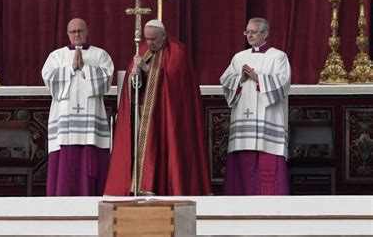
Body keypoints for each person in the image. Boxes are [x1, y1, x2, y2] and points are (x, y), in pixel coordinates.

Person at [105, 19, 212, 196]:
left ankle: (172, 188)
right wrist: (135, 77)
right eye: (147, 39)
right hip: (147, 116)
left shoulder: (177, 51)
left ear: (164, 36)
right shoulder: (143, 52)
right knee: (148, 150)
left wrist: (147, 68)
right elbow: (134, 89)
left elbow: (174, 81)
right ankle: (144, 186)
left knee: (170, 151)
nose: (150, 43)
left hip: (169, 115)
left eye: (154, 39)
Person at [42, 18, 114, 196]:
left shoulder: (100, 55)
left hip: (91, 127)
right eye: (73, 31)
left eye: (80, 31)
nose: (77, 34)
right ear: (67, 33)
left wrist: (86, 68)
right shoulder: (56, 56)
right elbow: (48, 78)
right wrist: (71, 68)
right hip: (64, 124)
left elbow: (105, 80)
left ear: (87, 32)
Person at [220, 17, 291, 195]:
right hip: (244, 120)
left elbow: (283, 83)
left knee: (268, 162)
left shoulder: (278, 56)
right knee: (243, 163)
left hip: (268, 120)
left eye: (253, 32)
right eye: (247, 32)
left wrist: (257, 77)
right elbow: (225, 81)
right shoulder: (239, 57)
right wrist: (240, 79)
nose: (249, 35)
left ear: (265, 33)